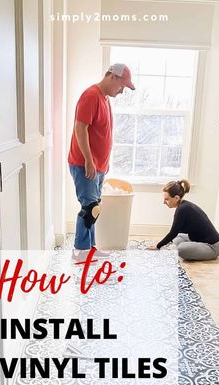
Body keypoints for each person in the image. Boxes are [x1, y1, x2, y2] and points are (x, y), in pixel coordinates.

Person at [68, 64, 135, 261]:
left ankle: (89, 247)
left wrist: (103, 164)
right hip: (84, 163)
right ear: (112, 77)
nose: (122, 90)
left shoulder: (104, 99)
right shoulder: (90, 96)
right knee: (89, 208)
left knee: (94, 206)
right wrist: (89, 160)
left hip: (98, 166)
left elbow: (101, 134)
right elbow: (80, 129)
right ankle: (80, 252)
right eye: (122, 86)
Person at [147, 179, 219, 261]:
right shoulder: (184, 205)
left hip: (212, 247)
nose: (164, 202)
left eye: (167, 199)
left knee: (181, 249)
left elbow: (173, 232)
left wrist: (158, 246)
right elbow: (177, 232)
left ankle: (187, 248)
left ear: (176, 198)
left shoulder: (182, 209)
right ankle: (189, 247)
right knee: (178, 237)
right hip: (197, 239)